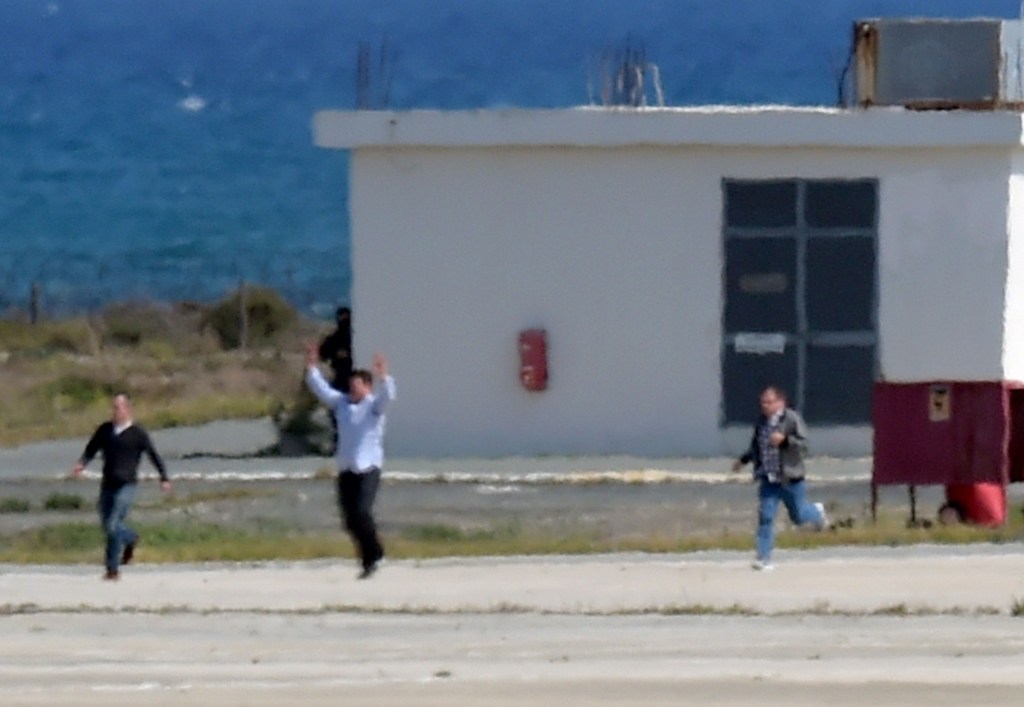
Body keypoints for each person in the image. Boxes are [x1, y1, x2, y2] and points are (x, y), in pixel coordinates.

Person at [305, 342, 395, 579]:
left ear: (367, 387)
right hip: (346, 470)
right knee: (349, 520)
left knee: (362, 512)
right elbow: (321, 389)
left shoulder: (374, 407)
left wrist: (384, 376)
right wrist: (312, 366)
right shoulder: (342, 404)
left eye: (357, 386)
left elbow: (388, 396)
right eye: (351, 386)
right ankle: (368, 560)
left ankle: (375, 553)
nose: (352, 390)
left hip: (368, 469)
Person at [72, 393, 171, 580]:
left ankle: (113, 568)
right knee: (107, 525)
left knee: (113, 524)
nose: (114, 411)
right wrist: (82, 463)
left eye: (118, 408)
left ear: (127, 409)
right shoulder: (105, 430)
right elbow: (91, 449)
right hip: (107, 483)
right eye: (113, 408)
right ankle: (129, 540)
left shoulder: (137, 433)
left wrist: (164, 478)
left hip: (127, 485)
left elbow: (153, 456)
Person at [731, 385, 827, 571]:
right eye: (763, 402)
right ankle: (763, 558)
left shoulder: (791, 419)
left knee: (798, 516)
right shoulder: (761, 422)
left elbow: (804, 445)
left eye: (769, 402)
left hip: (791, 478)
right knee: (766, 516)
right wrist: (743, 461)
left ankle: (817, 512)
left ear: (780, 402)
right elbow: (756, 447)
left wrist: (784, 441)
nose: (765, 405)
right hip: (769, 478)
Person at [318, 306, 353, 453]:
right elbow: (323, 354)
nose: (342, 321)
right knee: (336, 411)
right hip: (340, 379)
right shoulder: (334, 338)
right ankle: (339, 441)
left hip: (354, 380)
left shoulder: (355, 337)